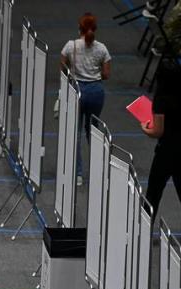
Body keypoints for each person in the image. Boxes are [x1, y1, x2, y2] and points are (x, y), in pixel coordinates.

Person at [61, 13, 111, 183]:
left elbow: (63, 67)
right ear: (94, 29)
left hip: (77, 91)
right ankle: (99, 173)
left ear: (79, 29)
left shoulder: (70, 46)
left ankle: (78, 175)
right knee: (93, 132)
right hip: (96, 92)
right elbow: (106, 75)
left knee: (76, 133)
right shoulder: (102, 49)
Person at [142, 64, 181, 214]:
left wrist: (145, 128)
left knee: (153, 193)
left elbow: (158, 131)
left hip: (166, 151)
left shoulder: (162, 100)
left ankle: (144, 233)